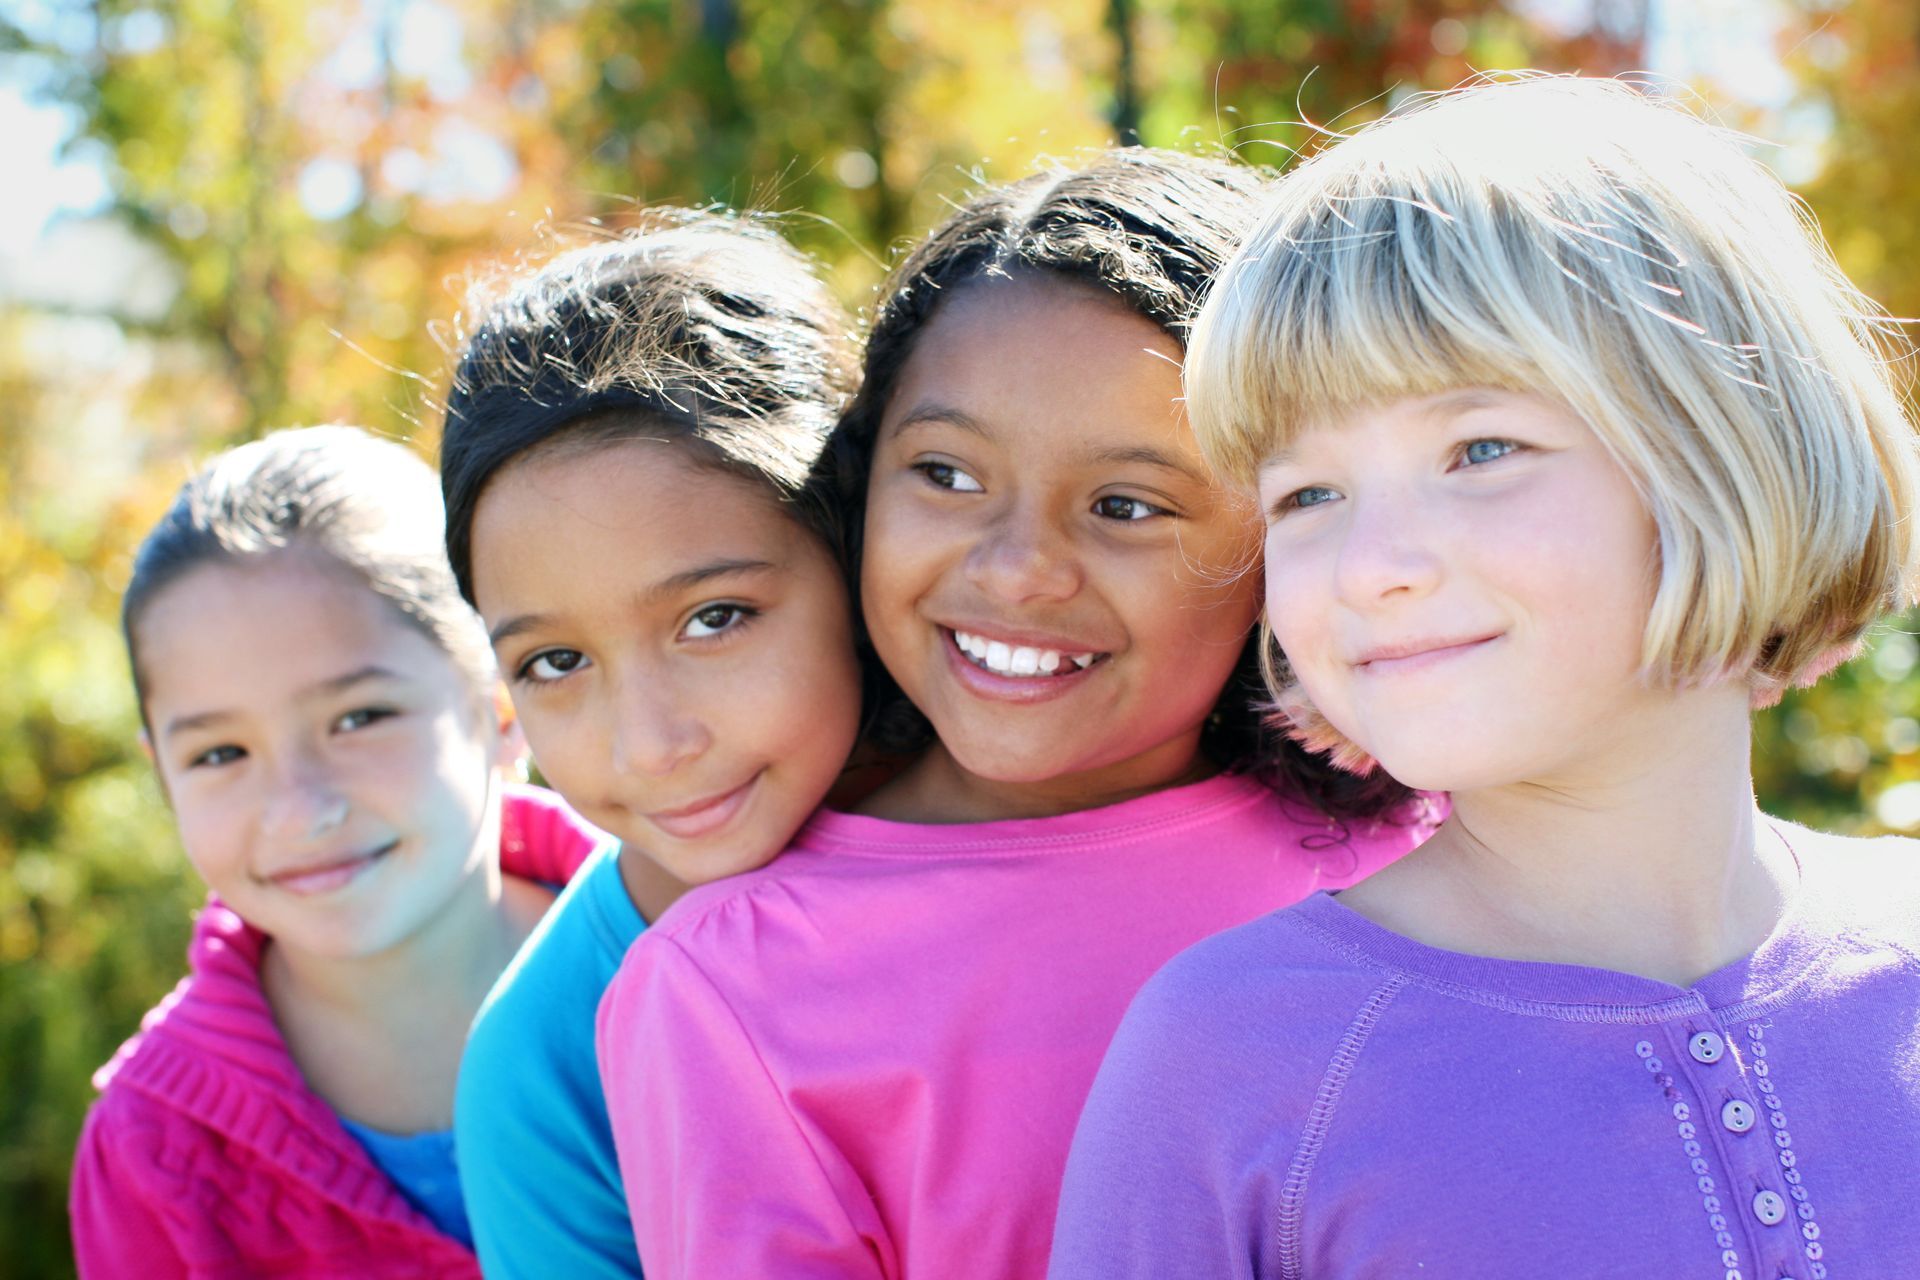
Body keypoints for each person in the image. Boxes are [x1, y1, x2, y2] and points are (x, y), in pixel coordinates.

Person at [1049, 75, 1920, 1279]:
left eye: (1482, 449)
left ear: (1732, 445)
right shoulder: (1234, 1058)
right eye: (1308, 494)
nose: (1372, 566)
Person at [597, 149, 1432, 1280]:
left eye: (1126, 504)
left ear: (1285, 538)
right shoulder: (735, 990)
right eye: (945, 474)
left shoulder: (1428, 847)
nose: (1021, 568)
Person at [440, 210, 866, 1279]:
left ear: (856, 548)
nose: (651, 745)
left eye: (714, 617)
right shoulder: (542, 1067)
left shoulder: (1062, 820)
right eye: (554, 662)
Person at [68, 426, 599, 1278]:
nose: (299, 810)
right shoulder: (154, 1148)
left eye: (358, 718)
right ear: (163, 777)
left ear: (500, 712)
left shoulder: (695, 961)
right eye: (219, 754)